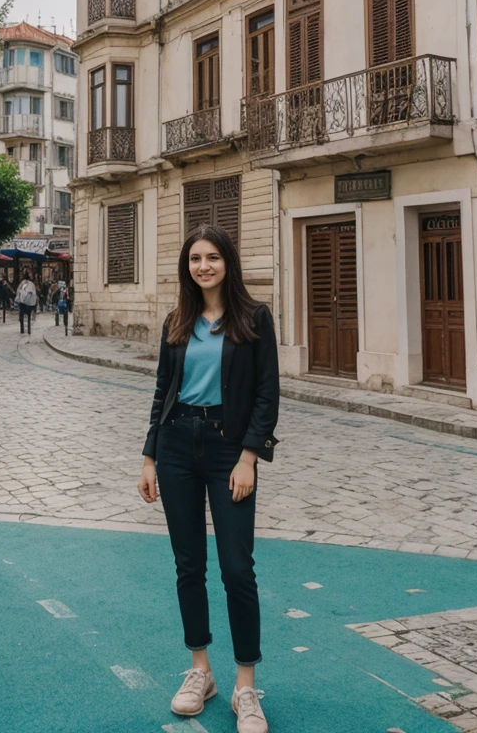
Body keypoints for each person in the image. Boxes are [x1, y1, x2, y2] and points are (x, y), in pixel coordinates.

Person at [138, 225, 280, 733]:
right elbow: (162, 390)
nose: (203, 266)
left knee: (237, 568)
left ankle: (246, 686)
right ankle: (201, 671)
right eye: (195, 259)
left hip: (228, 451)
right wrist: (150, 456)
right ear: (187, 266)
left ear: (228, 263)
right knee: (188, 564)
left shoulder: (254, 318)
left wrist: (249, 457)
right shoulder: (178, 320)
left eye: (212, 258)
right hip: (176, 446)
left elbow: (267, 395)